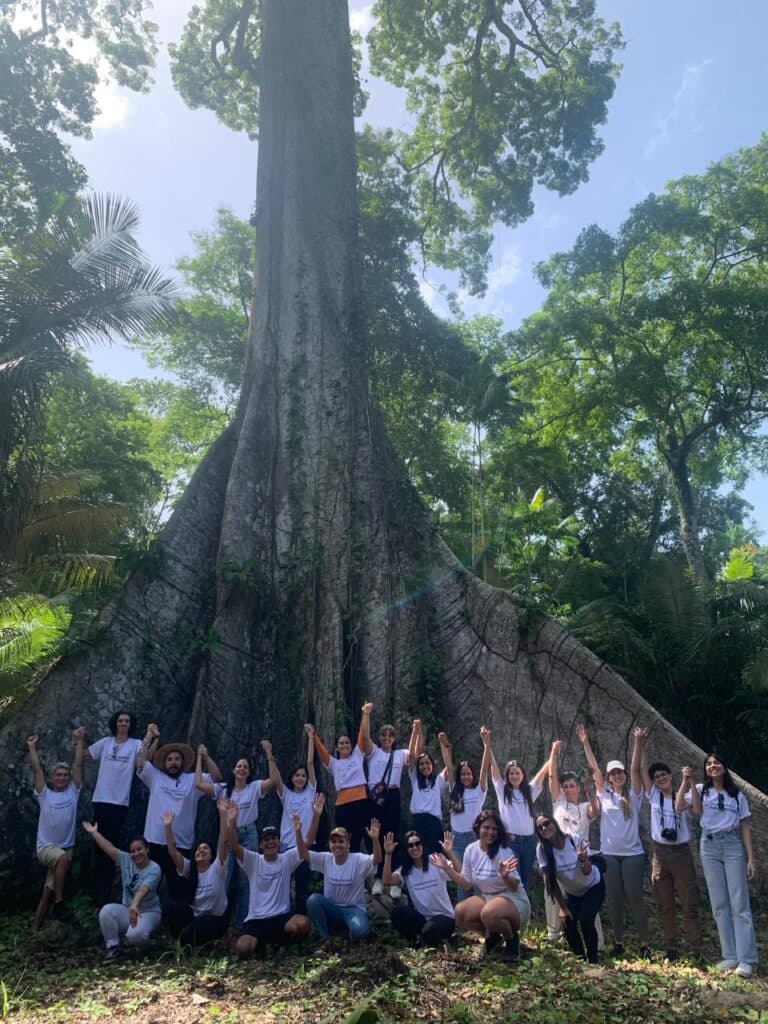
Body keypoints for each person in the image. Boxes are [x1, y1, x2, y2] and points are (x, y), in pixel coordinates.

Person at [678, 753, 757, 977]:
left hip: (732, 845)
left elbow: (745, 825)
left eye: (717, 763)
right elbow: (680, 806)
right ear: (705, 769)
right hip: (709, 845)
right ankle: (730, 955)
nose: (713, 766)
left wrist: (751, 857)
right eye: (709, 764)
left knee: (739, 903)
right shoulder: (702, 790)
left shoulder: (737, 795)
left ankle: (746, 959)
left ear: (724, 767)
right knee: (719, 903)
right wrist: (686, 781)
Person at [582, 725, 649, 957]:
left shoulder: (634, 795)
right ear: (609, 779)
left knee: (635, 897)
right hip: (610, 854)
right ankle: (619, 942)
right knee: (614, 899)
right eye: (614, 774)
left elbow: (635, 769)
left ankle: (644, 944)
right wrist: (585, 742)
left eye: (620, 772)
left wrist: (638, 743)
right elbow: (594, 769)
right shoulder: (604, 794)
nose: (618, 775)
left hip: (633, 855)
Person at [228, 795, 325, 957]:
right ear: (260, 845)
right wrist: (232, 821)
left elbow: (307, 841)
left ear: (278, 842)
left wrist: (316, 815)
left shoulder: (286, 858)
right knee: (243, 948)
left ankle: (281, 945)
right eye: (266, 840)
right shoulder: (253, 861)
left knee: (302, 924)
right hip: (256, 920)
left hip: (281, 919)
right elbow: (235, 846)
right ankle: (262, 946)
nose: (270, 842)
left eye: (273, 839)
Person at [432, 809, 531, 962]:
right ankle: (492, 938)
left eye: (494, 829)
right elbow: (466, 884)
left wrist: (505, 877)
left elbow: (513, 887)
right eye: (486, 827)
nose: (490, 832)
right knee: (460, 912)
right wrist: (446, 868)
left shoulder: (504, 851)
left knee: (488, 913)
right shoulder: (471, 850)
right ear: (478, 828)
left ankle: (512, 940)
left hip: (514, 900)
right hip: (489, 899)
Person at [136, 730, 222, 900]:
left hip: (181, 846)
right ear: (164, 763)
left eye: (177, 759)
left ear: (183, 762)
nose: (173, 763)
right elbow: (139, 762)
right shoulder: (155, 776)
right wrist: (148, 737)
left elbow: (218, 780)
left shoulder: (193, 780)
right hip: (153, 843)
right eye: (169, 760)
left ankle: (177, 925)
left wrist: (206, 757)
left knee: (180, 892)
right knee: (146, 888)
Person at [636, 737, 701, 962]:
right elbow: (642, 769)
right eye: (657, 777)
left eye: (664, 775)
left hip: (681, 853)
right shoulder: (653, 795)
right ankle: (670, 947)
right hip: (660, 853)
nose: (661, 779)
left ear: (670, 777)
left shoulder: (683, 796)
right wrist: (641, 744)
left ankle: (695, 947)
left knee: (688, 902)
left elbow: (696, 811)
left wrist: (689, 781)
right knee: (665, 903)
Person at [195, 743, 274, 926]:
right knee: (223, 877)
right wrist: (201, 758)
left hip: (248, 834)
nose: (242, 769)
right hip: (226, 836)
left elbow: (274, 781)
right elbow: (199, 784)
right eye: (239, 766)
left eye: (245, 767)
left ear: (248, 772)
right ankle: (218, 923)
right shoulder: (222, 789)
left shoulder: (254, 787)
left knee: (246, 879)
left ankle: (242, 924)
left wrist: (269, 753)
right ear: (233, 770)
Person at [87, 712, 154, 906]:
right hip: (100, 800)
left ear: (130, 725)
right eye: (120, 721)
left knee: (111, 848)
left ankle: (105, 893)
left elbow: (142, 760)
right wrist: (77, 741)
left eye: (127, 721)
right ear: (115, 724)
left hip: (119, 803)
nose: (123, 724)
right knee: (96, 846)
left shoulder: (134, 744)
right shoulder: (106, 742)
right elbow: (89, 753)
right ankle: (95, 889)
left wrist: (149, 735)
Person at [544, 730, 603, 951]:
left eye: (572, 785)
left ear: (577, 788)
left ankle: (596, 944)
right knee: (553, 893)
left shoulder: (584, 807)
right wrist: (554, 753)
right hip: (558, 856)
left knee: (587, 899)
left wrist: (590, 792)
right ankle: (553, 934)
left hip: (580, 859)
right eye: (565, 785)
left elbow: (595, 808)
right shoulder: (558, 803)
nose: (568, 788)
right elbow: (551, 777)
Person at [28, 730, 84, 930]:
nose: (62, 778)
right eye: (58, 775)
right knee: (61, 859)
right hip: (46, 848)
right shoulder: (45, 794)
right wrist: (32, 748)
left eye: (64, 775)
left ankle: (35, 927)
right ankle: (59, 905)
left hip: (65, 847)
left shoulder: (73, 792)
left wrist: (78, 742)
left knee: (47, 890)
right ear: (52, 778)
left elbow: (78, 765)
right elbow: (36, 770)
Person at [82, 822, 161, 963]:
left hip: (148, 912)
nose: (136, 854)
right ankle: (113, 948)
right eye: (133, 851)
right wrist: (94, 832)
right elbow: (108, 848)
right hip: (128, 910)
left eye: (139, 849)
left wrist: (134, 905)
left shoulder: (154, 868)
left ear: (147, 849)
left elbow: (143, 889)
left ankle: (146, 948)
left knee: (134, 936)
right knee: (106, 911)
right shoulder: (126, 860)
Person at [300, 816, 382, 948]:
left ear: (348, 844)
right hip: (332, 909)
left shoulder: (357, 860)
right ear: (330, 845)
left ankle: (347, 939)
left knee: (360, 931)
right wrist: (298, 832)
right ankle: (324, 938)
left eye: (341, 841)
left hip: (353, 910)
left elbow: (377, 859)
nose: (337, 845)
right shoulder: (326, 859)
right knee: (313, 900)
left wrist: (374, 839)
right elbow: (303, 854)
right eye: (334, 841)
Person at [535, 814, 605, 964]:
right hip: (572, 892)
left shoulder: (573, 840)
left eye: (547, 823)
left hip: (593, 885)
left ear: (554, 823)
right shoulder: (542, 850)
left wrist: (583, 860)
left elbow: (587, 871)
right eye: (540, 828)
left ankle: (593, 960)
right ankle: (580, 957)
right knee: (566, 920)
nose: (544, 828)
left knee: (586, 919)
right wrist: (562, 907)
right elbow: (551, 882)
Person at [163, 798, 231, 946]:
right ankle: (181, 940)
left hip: (216, 919)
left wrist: (222, 814)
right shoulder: (190, 868)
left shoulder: (217, 868)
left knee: (188, 935)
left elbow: (224, 841)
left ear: (212, 856)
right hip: (196, 917)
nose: (201, 851)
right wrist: (168, 827)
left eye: (205, 849)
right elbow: (172, 851)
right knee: (172, 908)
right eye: (198, 849)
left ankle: (194, 943)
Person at [263, 735, 317, 914]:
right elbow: (275, 776)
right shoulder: (285, 794)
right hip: (286, 845)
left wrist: (311, 737)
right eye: (297, 775)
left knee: (302, 885)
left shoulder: (311, 791)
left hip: (305, 845)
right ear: (292, 778)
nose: (301, 778)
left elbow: (310, 762)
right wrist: (269, 752)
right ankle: (282, 917)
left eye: (303, 776)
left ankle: (301, 920)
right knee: (283, 884)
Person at [360, 702, 409, 897]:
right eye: (384, 736)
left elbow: (415, 752)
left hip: (393, 795)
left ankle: (395, 877)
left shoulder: (400, 754)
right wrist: (366, 715)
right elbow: (364, 738)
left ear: (394, 739)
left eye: (390, 736)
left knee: (393, 835)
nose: (387, 739)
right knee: (376, 835)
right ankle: (379, 878)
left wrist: (416, 729)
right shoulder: (374, 752)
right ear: (380, 738)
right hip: (375, 796)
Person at [488, 739, 551, 890]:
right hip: (510, 842)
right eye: (511, 773)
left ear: (523, 775)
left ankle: (523, 911)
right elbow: (494, 767)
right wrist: (487, 744)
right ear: (507, 776)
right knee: (513, 880)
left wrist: (554, 752)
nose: (514, 776)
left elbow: (544, 772)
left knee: (525, 880)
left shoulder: (529, 791)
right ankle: (512, 910)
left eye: (517, 773)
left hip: (529, 843)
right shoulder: (502, 790)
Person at [307, 712, 370, 852]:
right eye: (341, 743)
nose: (344, 745)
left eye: (347, 742)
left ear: (351, 745)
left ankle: (355, 869)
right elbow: (322, 752)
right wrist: (313, 735)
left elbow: (362, 733)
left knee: (358, 837)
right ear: (337, 747)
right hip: (342, 805)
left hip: (361, 802)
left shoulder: (358, 756)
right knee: (342, 836)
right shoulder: (334, 764)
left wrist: (365, 714)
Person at [382, 829, 456, 946]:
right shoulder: (406, 870)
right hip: (423, 918)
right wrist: (388, 854)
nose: (414, 847)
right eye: (410, 846)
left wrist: (450, 853)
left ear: (422, 845)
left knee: (429, 930)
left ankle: (435, 943)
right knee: (397, 913)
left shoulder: (435, 860)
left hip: (445, 917)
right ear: (406, 850)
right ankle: (415, 940)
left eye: (417, 843)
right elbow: (386, 880)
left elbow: (458, 872)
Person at [442, 726, 491, 901]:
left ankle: (478, 909)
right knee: (461, 876)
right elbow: (448, 764)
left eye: (468, 774)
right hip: (458, 839)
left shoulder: (479, 790)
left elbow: (485, 768)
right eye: (463, 774)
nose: (466, 777)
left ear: (473, 775)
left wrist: (486, 744)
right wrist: (443, 746)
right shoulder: (455, 788)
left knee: (477, 875)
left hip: (475, 837)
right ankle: (464, 914)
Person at [406, 719, 450, 855]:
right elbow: (413, 755)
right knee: (416, 854)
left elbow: (449, 766)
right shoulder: (414, 778)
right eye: (422, 764)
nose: (425, 766)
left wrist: (444, 745)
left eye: (428, 763)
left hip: (434, 823)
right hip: (418, 821)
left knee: (435, 856)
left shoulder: (439, 781)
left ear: (433, 765)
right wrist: (416, 731)